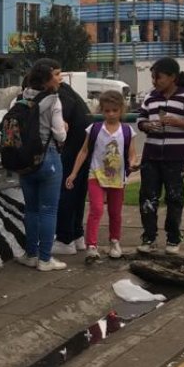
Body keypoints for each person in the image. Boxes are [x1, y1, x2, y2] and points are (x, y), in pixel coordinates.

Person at [136, 57, 184, 255]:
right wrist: (147, 125)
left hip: (176, 155)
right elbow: (140, 119)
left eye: (159, 77)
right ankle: (149, 237)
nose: (155, 81)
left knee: (174, 196)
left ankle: (173, 237)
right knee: (148, 197)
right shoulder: (150, 97)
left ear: (173, 77)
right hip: (151, 154)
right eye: (153, 77)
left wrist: (177, 122)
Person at [64, 91, 139, 262]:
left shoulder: (127, 131)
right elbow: (84, 151)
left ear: (121, 110)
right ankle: (92, 245)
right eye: (107, 111)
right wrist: (74, 173)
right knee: (96, 209)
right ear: (101, 110)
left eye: (114, 110)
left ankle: (114, 241)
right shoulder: (95, 129)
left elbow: (132, 154)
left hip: (117, 178)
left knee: (115, 212)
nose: (111, 114)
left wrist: (133, 163)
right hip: (96, 174)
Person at [15, 59, 69, 272]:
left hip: (25, 161)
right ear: (47, 79)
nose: (60, 78)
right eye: (57, 74)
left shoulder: (18, 99)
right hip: (48, 159)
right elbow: (60, 134)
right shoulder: (53, 101)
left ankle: (31, 254)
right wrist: (63, 127)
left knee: (32, 209)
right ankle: (45, 259)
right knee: (48, 210)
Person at [52, 75, 93, 255]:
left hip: (73, 149)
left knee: (66, 190)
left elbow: (62, 124)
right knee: (77, 191)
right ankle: (77, 236)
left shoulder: (60, 96)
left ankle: (65, 238)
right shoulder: (70, 93)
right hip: (84, 146)